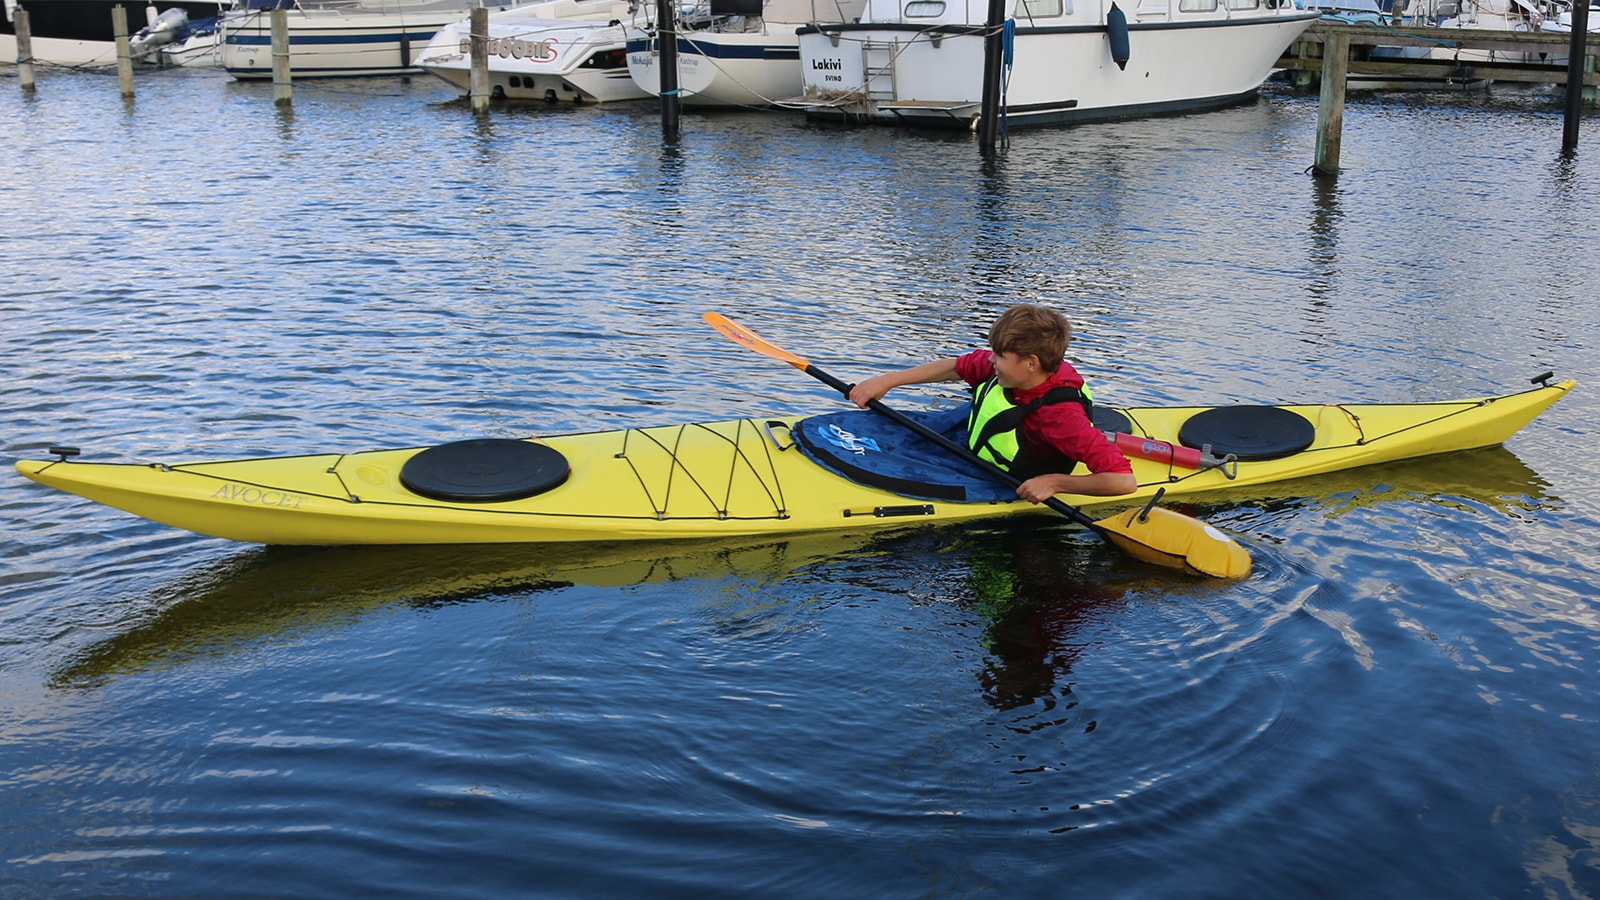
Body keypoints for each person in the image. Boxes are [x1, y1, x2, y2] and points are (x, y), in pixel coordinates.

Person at [847, 304, 1136, 504]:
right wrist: (888, 381)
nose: (991, 361)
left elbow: (1122, 481)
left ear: (1031, 363)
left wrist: (1054, 483)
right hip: (979, 449)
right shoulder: (1014, 366)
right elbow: (955, 367)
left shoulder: (1061, 418)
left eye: (999, 356)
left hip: (1014, 474)